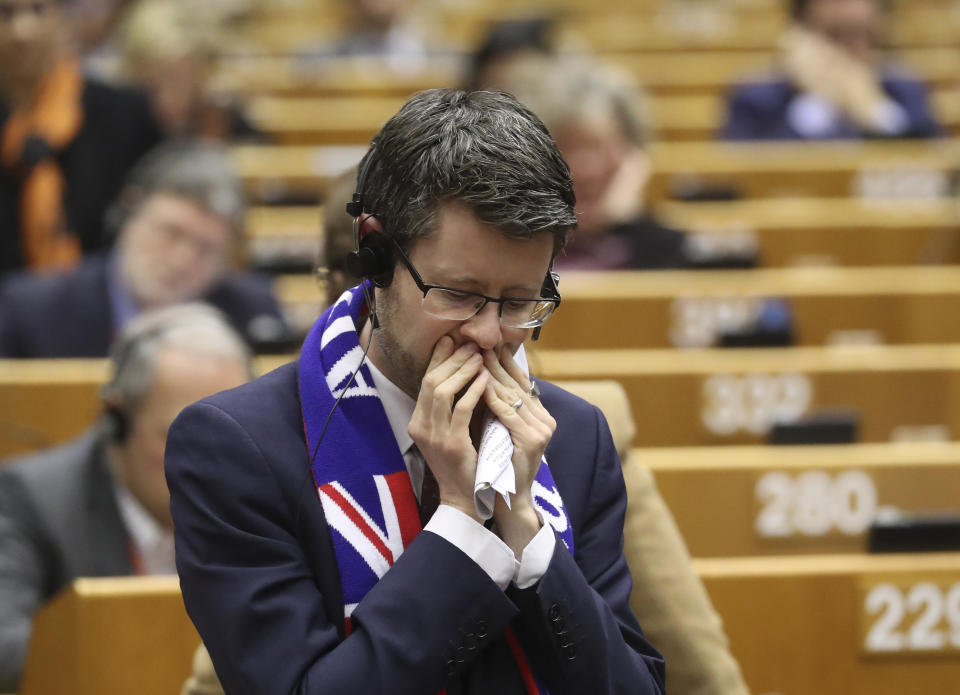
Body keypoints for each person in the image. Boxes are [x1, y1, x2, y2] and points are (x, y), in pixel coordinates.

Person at [165, 89, 666, 694]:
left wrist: (526, 532)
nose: (486, 334)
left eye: (518, 302)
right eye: (457, 294)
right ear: (375, 251)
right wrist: (458, 520)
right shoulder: (237, 449)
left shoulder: (576, 436)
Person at [0, 303, 252, 691]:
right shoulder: (30, 501)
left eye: (231, 439)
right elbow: (7, 656)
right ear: (116, 420)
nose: (213, 468)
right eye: (182, 439)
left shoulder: (269, 499)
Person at [0, 139, 292, 356]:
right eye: (169, 233)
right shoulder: (29, 311)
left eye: (205, 249)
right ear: (129, 213)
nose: (181, 260)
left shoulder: (254, 314)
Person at [0, 0, 162, 275]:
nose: (22, 31)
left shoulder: (121, 112)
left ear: (63, 18)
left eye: (38, 10)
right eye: (4, 13)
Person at [502, 55, 698, 271]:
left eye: (601, 148)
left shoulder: (664, 245)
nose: (586, 170)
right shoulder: (504, 243)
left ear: (633, 155)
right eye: (566, 147)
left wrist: (626, 222)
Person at [722, 0, 941, 140]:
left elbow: (933, 171)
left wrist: (876, 113)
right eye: (835, 35)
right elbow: (744, 180)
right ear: (799, 35)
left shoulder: (906, 88)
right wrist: (818, 103)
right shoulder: (755, 96)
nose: (849, 50)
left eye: (861, 35)